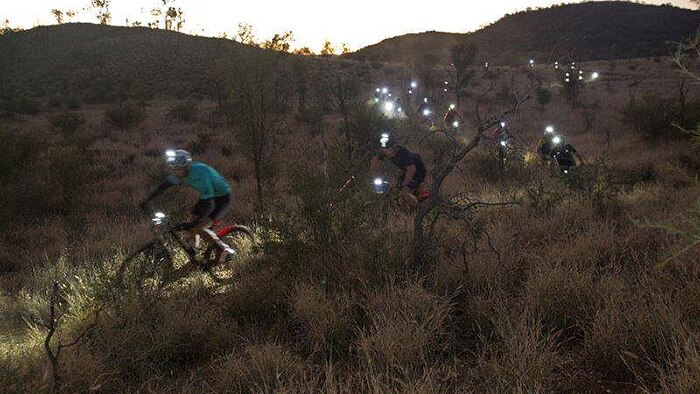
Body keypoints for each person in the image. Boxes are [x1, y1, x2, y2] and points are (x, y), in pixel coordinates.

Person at [141, 149, 234, 265]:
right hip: (206, 197)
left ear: (185, 167)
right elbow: (164, 186)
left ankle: (224, 249)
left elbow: (211, 204)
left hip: (222, 198)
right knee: (190, 223)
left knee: (200, 226)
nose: (174, 173)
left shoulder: (201, 173)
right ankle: (195, 254)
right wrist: (147, 200)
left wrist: (198, 222)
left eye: (177, 170)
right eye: (173, 170)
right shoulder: (180, 174)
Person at [369, 133, 428, 208]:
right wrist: (373, 175)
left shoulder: (403, 153)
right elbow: (376, 161)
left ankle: (420, 208)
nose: (385, 152)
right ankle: (406, 205)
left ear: (393, 147)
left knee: (404, 191)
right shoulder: (385, 151)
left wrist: (405, 183)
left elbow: (411, 169)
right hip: (407, 170)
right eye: (383, 150)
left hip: (418, 171)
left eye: (387, 149)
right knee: (397, 188)